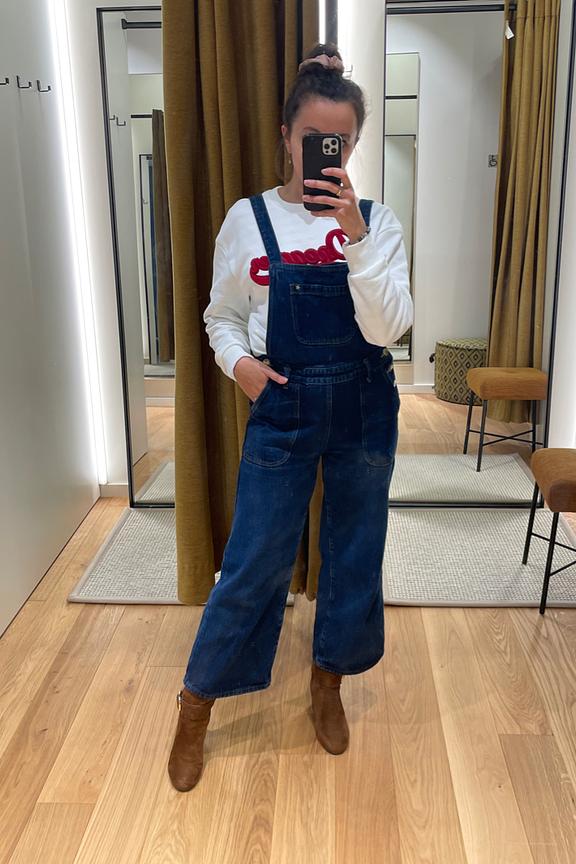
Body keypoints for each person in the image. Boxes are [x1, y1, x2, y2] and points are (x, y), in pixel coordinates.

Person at [168, 42, 413, 793]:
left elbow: (390, 329)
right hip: (283, 403)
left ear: (355, 144)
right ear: (286, 135)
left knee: (354, 553)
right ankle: (196, 703)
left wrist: (356, 237)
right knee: (254, 559)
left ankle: (327, 683)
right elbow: (220, 316)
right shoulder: (246, 220)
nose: (326, 153)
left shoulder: (377, 223)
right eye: (313, 138)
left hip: (365, 403)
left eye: (341, 140)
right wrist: (239, 367)